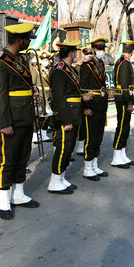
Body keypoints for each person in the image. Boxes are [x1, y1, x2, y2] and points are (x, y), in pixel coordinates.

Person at [0, 23, 40, 220]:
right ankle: (3, 201)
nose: (29, 42)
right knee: (7, 160)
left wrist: (32, 91)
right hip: (11, 120)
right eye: (28, 39)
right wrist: (4, 123)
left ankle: (18, 195)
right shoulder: (0, 62)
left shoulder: (20, 59)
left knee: (22, 157)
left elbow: (22, 86)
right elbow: (0, 96)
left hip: (25, 116)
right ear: (19, 40)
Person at [48, 40, 87, 194]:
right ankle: (54, 181)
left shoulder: (70, 70)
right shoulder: (59, 70)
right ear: (71, 53)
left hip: (74, 113)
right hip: (66, 116)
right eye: (75, 52)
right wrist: (66, 120)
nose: (77, 54)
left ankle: (61, 177)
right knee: (63, 148)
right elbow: (59, 97)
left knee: (69, 148)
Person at [79, 38, 110, 181]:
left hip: (101, 104)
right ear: (93, 50)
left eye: (102, 49)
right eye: (98, 49)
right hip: (91, 105)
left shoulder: (101, 63)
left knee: (98, 137)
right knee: (91, 137)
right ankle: (87, 168)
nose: (101, 51)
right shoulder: (87, 65)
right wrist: (85, 107)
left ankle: (95, 164)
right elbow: (84, 88)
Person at [111, 40, 134, 169]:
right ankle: (117, 156)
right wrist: (129, 102)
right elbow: (123, 85)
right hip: (123, 99)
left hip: (122, 98)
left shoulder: (120, 61)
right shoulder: (124, 64)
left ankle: (121, 154)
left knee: (125, 127)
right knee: (122, 127)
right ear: (132, 51)